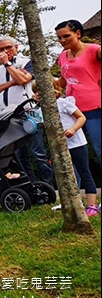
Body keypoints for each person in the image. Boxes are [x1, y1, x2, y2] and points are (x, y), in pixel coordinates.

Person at [0, 36, 53, 185]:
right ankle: (30, 185)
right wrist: (13, 81)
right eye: (1, 49)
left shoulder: (27, 62)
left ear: (16, 47)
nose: (5, 52)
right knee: (19, 154)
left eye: (8, 48)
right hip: (7, 115)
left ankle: (47, 185)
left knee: (38, 152)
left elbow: (24, 80)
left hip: (27, 113)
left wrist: (8, 64)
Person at [49, 79, 98, 216]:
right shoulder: (44, 110)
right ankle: (70, 202)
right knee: (65, 174)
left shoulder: (64, 103)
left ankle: (92, 205)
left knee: (84, 172)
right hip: (60, 147)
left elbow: (81, 118)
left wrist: (73, 129)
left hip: (76, 143)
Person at [56, 19, 102, 160]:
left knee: (99, 148)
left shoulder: (94, 50)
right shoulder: (62, 56)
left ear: (78, 33)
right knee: (75, 153)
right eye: (59, 38)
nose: (62, 40)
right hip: (72, 110)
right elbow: (62, 83)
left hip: (94, 107)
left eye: (66, 36)